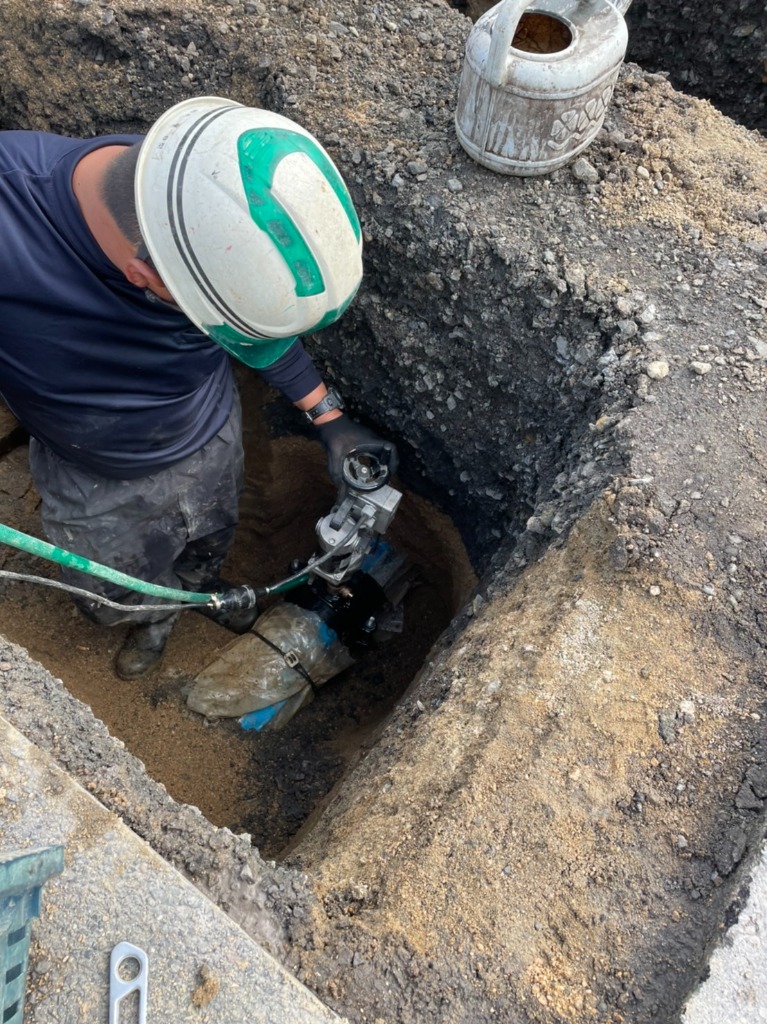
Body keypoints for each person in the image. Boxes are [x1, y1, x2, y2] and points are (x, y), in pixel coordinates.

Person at [0, 96, 396, 679]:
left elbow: (256, 330)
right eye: (220, 327)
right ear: (143, 277)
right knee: (111, 596)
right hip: (95, 474)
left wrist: (327, 415)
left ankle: (198, 594)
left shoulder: (198, 186)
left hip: (210, 432)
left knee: (208, 542)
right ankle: (153, 617)